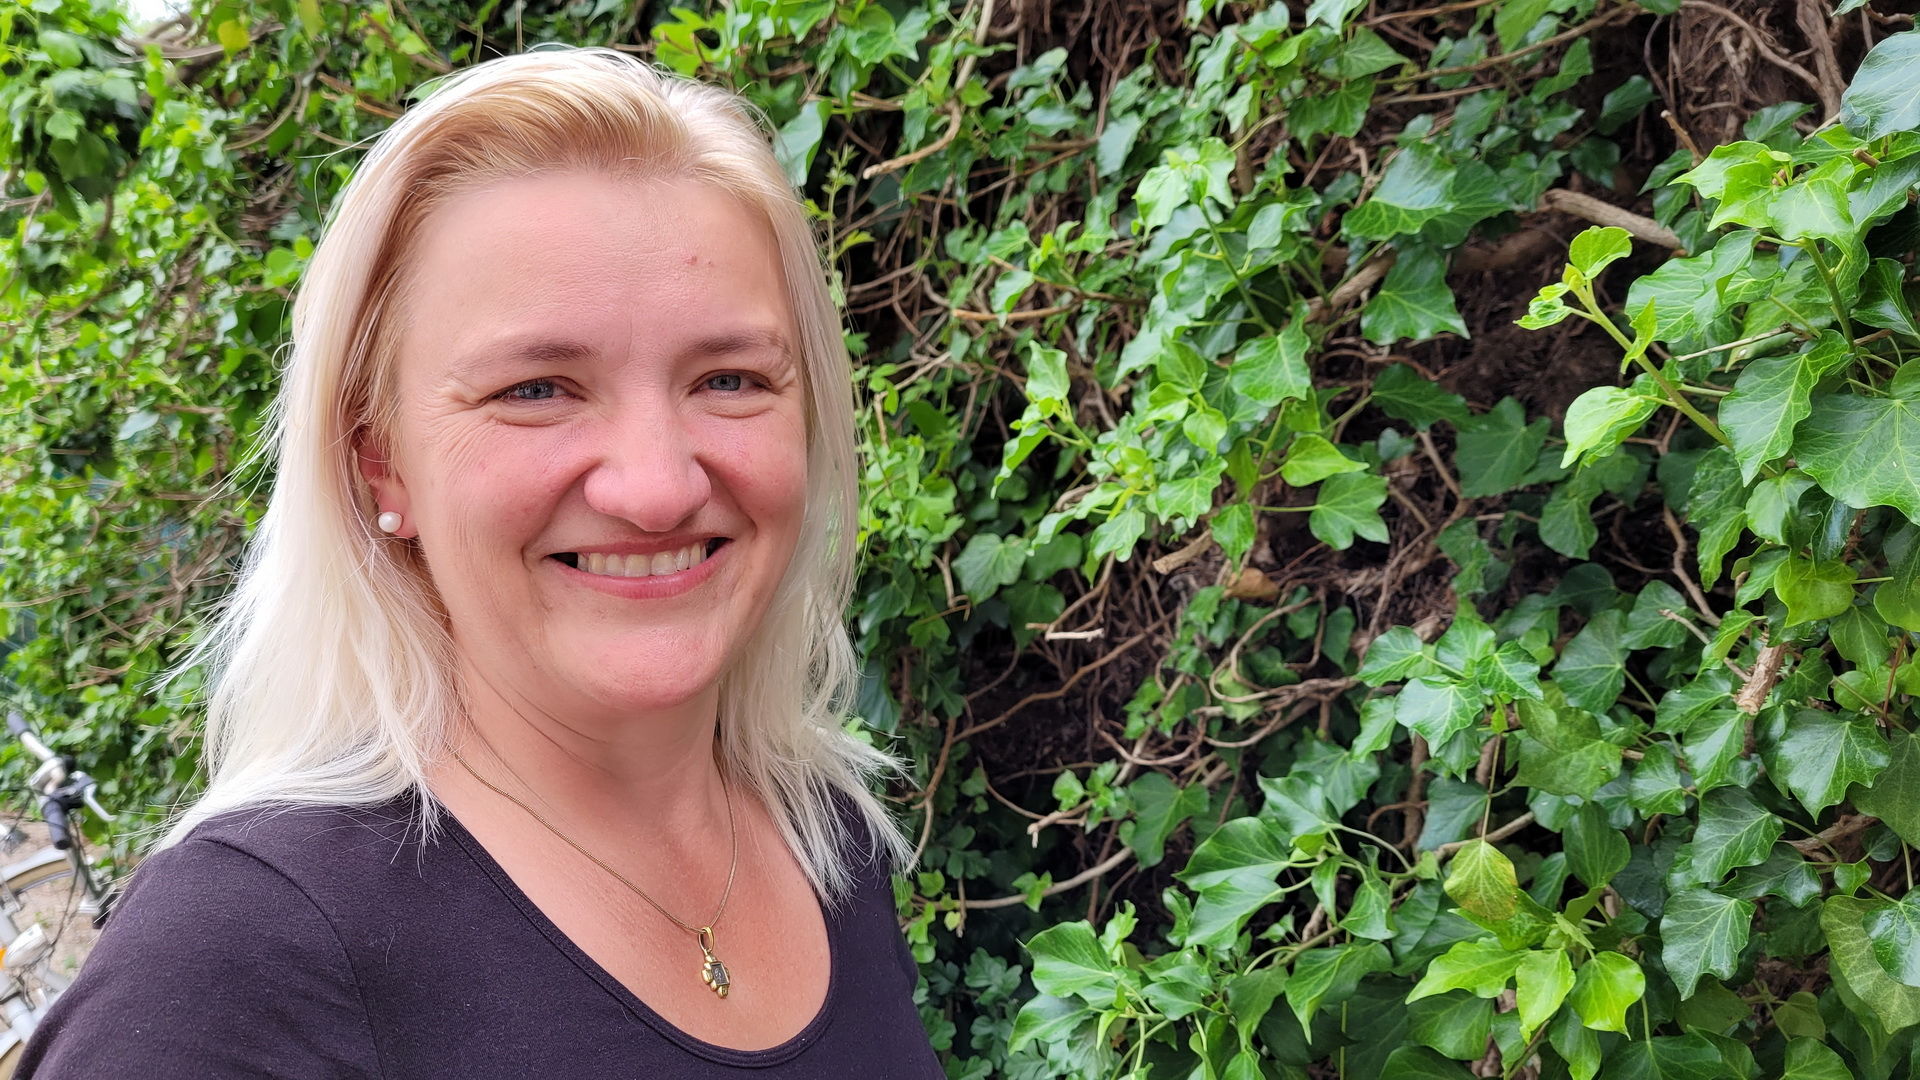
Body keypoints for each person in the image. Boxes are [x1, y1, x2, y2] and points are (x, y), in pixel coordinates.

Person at [20, 46, 942, 1078]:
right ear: (382, 464)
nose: (657, 488)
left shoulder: (824, 837)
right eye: (536, 390)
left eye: (729, 378)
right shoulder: (235, 972)